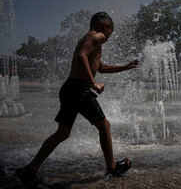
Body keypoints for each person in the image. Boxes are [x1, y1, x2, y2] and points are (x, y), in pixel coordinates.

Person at [16, 12, 139, 188]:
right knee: (104, 126)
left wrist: (126, 67)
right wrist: (93, 82)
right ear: (105, 26)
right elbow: (82, 56)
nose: (109, 36)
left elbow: (101, 67)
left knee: (63, 133)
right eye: (111, 32)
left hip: (70, 89)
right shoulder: (97, 36)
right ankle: (111, 167)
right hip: (79, 90)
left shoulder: (88, 39)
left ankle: (30, 169)